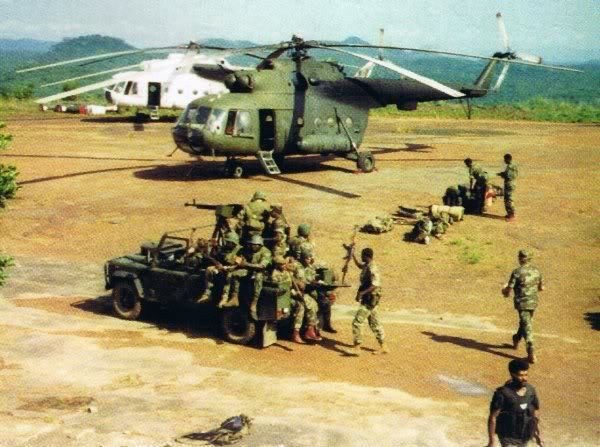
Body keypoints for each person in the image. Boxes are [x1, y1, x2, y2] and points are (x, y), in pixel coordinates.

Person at [486, 359, 543, 447]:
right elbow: (493, 417)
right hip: (507, 435)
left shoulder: (530, 391)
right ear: (513, 374)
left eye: (526, 375)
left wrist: (538, 434)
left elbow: (535, 414)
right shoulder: (502, 393)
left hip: (524, 434)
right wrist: (491, 441)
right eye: (521, 375)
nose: (524, 378)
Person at [502, 250, 544, 364]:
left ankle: (531, 352)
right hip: (533, 303)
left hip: (522, 303)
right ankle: (516, 338)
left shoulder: (517, 272)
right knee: (526, 323)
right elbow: (541, 288)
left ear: (520, 259)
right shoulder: (537, 271)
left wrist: (504, 291)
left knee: (527, 326)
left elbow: (509, 289)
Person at [348, 247, 387, 355]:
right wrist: (353, 255)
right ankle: (383, 346)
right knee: (374, 323)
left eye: (362, 255)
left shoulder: (372, 268)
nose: (361, 257)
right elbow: (359, 265)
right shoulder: (367, 265)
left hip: (369, 300)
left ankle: (357, 347)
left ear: (366, 256)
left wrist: (362, 293)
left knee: (357, 322)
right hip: (370, 299)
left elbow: (375, 284)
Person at [227, 234, 272, 318]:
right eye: (251, 244)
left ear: (259, 245)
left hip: (262, 273)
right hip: (248, 270)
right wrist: (234, 265)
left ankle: (254, 303)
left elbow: (262, 266)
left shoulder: (266, 252)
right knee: (235, 274)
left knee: (258, 277)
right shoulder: (247, 249)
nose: (251, 246)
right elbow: (239, 259)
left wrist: (246, 264)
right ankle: (234, 297)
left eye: (254, 245)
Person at [199, 232, 241, 305]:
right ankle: (207, 294)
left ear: (234, 242)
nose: (227, 243)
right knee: (209, 269)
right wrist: (217, 264)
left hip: (234, 268)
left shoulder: (240, 250)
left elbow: (239, 264)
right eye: (227, 241)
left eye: (229, 242)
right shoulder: (225, 248)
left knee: (229, 275)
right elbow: (218, 258)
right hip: (222, 267)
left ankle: (224, 297)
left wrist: (227, 267)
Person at [291, 247, 322, 342]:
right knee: (310, 304)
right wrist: (298, 282)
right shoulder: (295, 265)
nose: (309, 260)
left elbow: (312, 279)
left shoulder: (310, 268)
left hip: (306, 291)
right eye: (307, 258)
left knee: (316, 304)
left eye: (310, 258)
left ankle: (311, 329)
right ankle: (306, 331)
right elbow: (288, 275)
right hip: (294, 291)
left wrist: (315, 282)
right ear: (302, 257)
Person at [497, 153, 519, 222]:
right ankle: (509, 214)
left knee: (509, 199)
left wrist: (502, 174)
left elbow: (508, 176)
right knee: (507, 199)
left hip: (509, 184)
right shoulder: (513, 165)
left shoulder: (510, 167)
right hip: (510, 183)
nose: (504, 161)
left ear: (508, 159)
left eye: (505, 159)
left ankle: (512, 215)